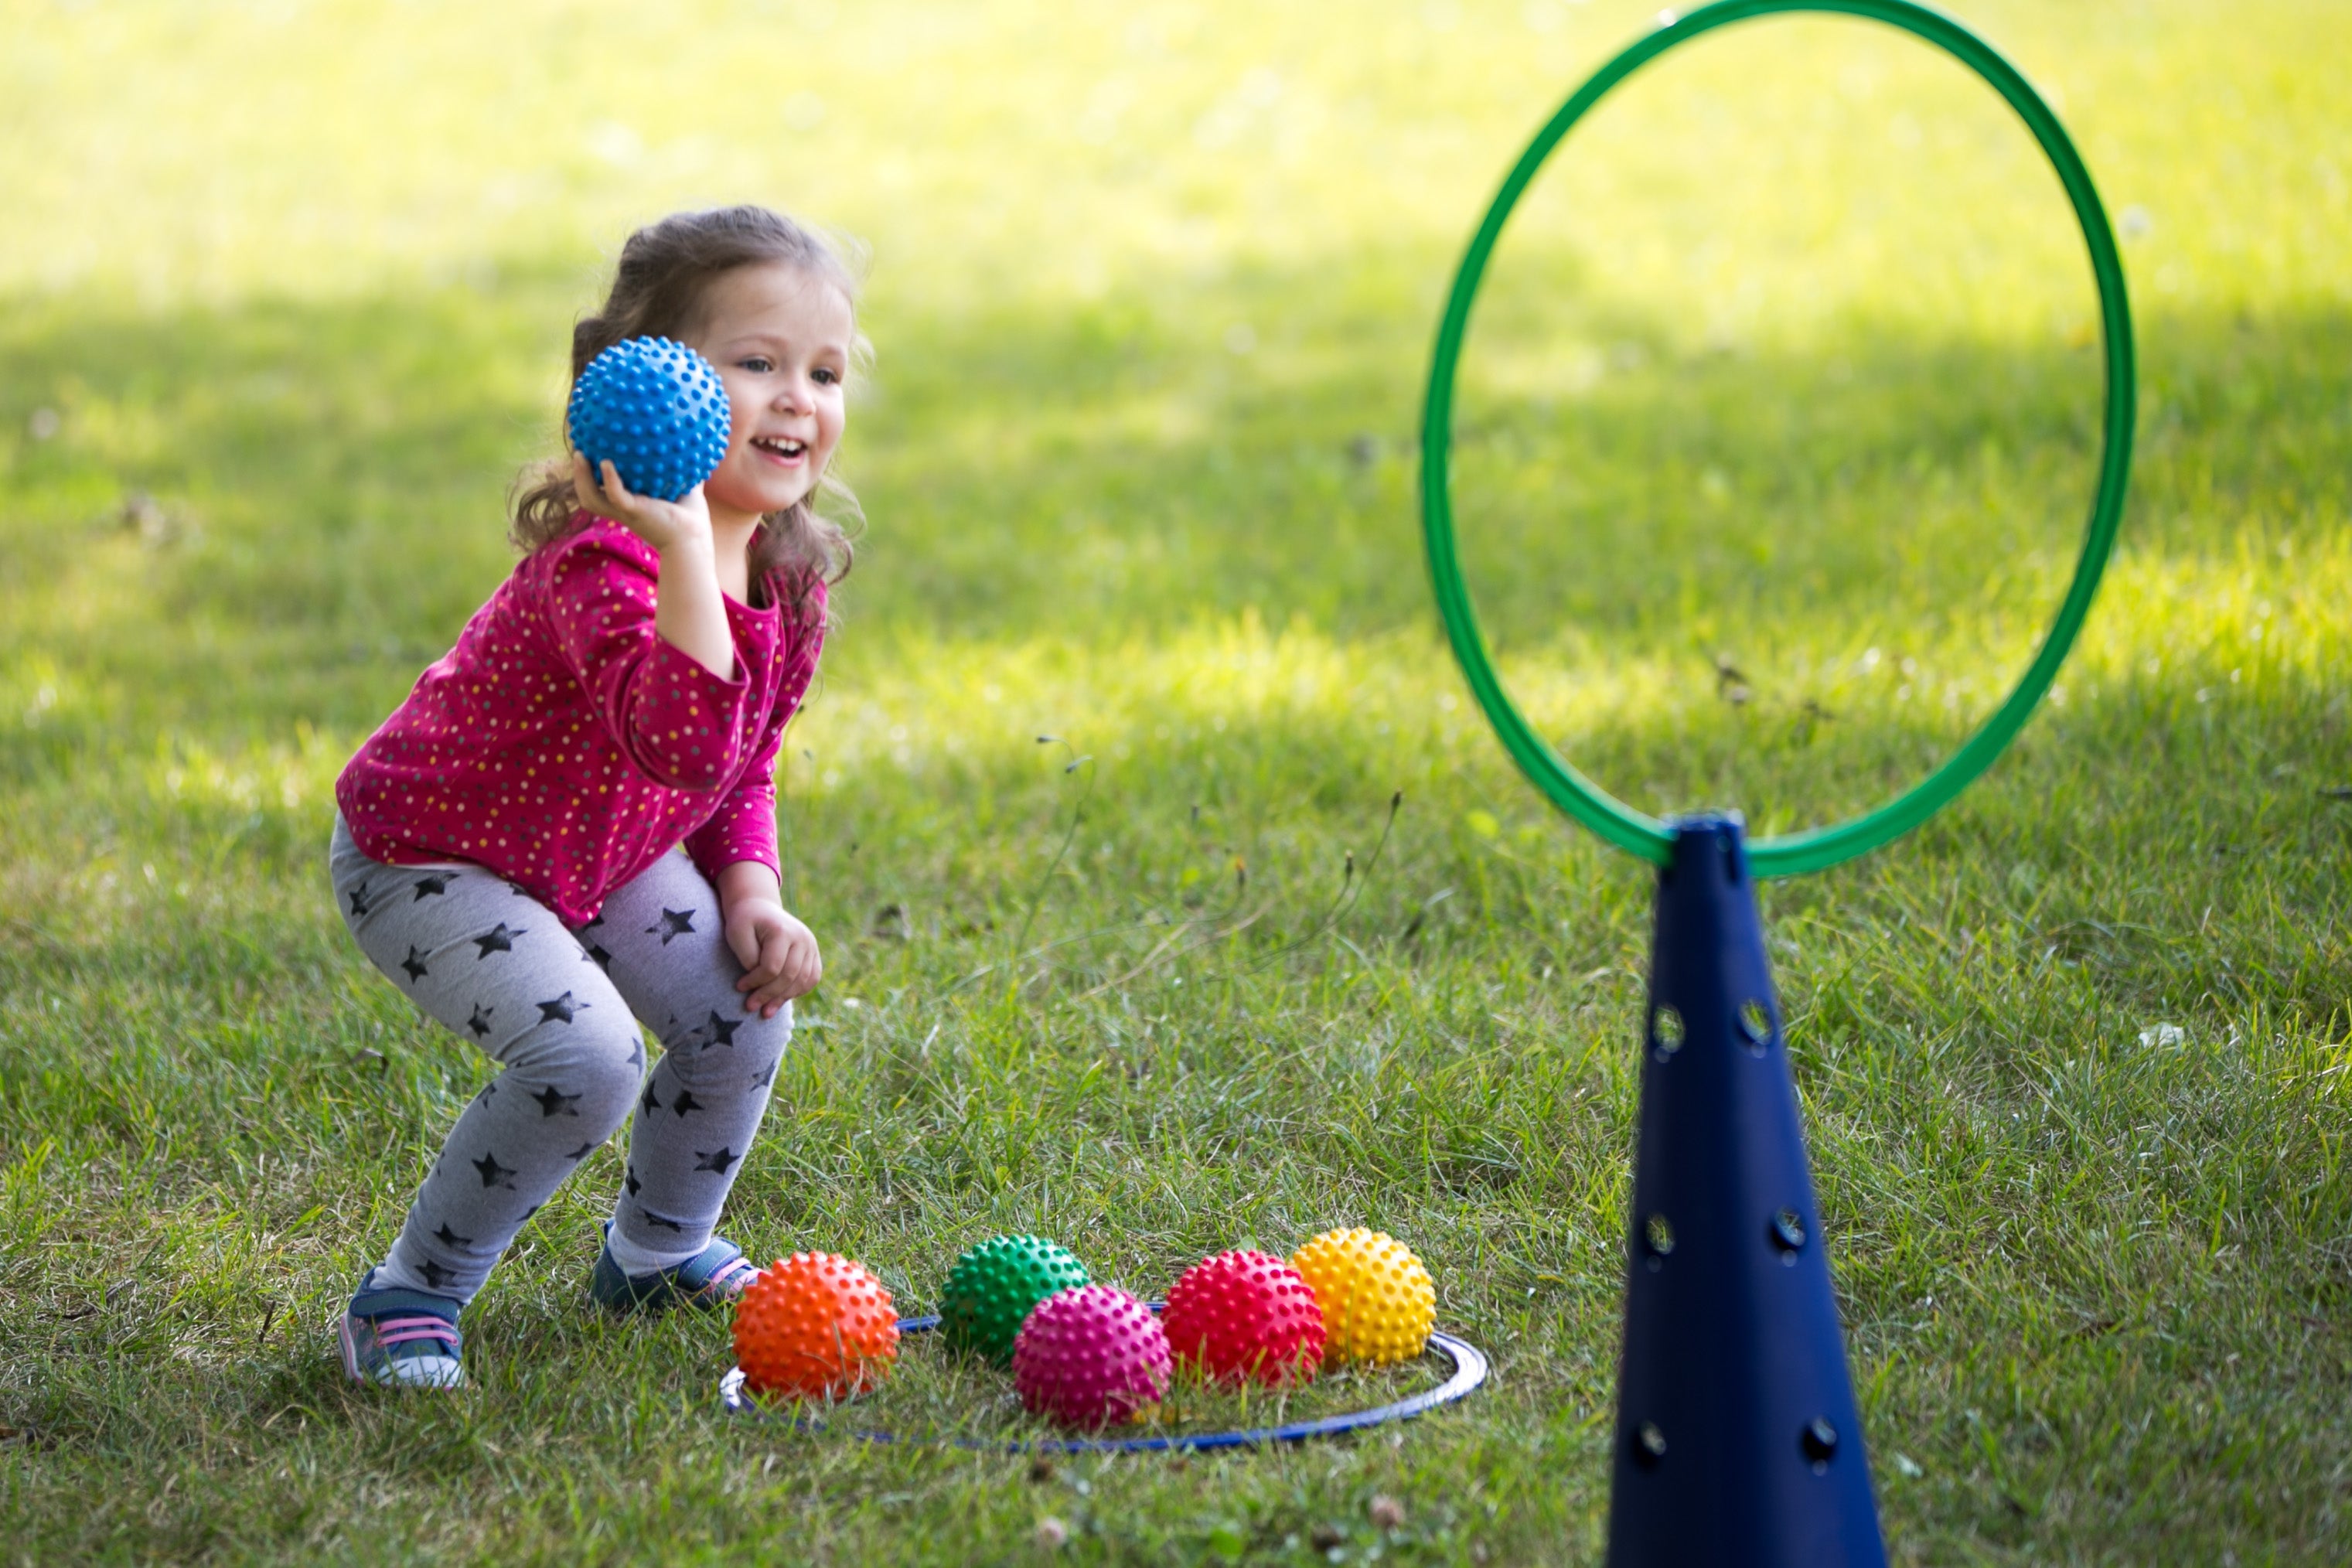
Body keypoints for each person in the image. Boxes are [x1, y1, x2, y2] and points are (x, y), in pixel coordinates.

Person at [326, 206, 861, 1387]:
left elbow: (736, 762)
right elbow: (673, 736)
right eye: (757, 362)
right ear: (644, 379)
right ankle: (408, 1293)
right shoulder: (604, 560)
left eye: (822, 373)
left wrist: (752, 888)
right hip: (435, 857)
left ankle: (656, 1252)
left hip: (603, 854)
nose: (796, 399)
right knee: (588, 1059)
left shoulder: (785, 574)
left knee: (740, 1008)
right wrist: (678, 543)